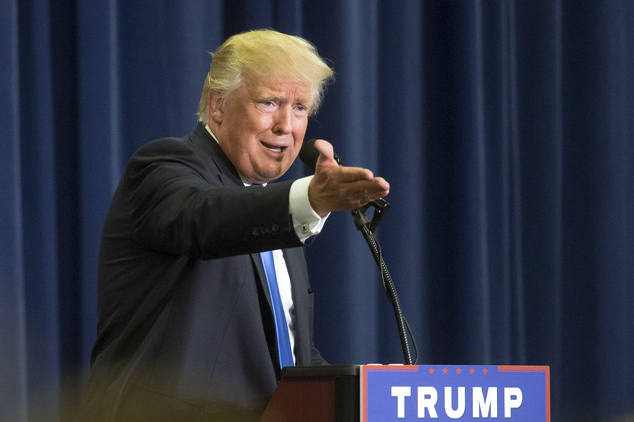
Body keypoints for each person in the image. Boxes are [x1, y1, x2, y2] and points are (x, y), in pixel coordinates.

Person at [77, 29, 389, 421]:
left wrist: (365, 390)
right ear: (219, 104)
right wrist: (309, 199)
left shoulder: (278, 218)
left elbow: (286, 361)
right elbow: (204, 218)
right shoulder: (163, 167)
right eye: (269, 102)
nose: (285, 126)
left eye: (299, 108)